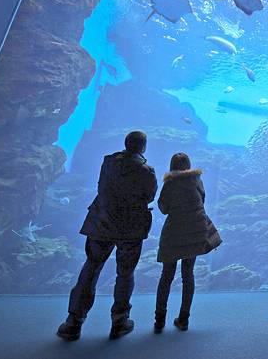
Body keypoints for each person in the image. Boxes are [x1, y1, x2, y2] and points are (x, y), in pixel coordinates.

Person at [57, 131, 157, 341]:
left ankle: (73, 322)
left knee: (91, 268)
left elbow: (101, 187)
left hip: (101, 223)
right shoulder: (146, 171)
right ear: (143, 147)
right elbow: (149, 195)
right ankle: (120, 321)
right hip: (130, 228)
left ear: (126, 144)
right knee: (125, 273)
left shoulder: (108, 163)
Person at [154, 153, 222, 333]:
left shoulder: (169, 184)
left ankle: (159, 320)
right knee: (188, 275)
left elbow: (163, 208)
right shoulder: (197, 181)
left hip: (174, 233)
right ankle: (184, 318)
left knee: (166, 276)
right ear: (188, 165)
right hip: (195, 232)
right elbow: (202, 201)